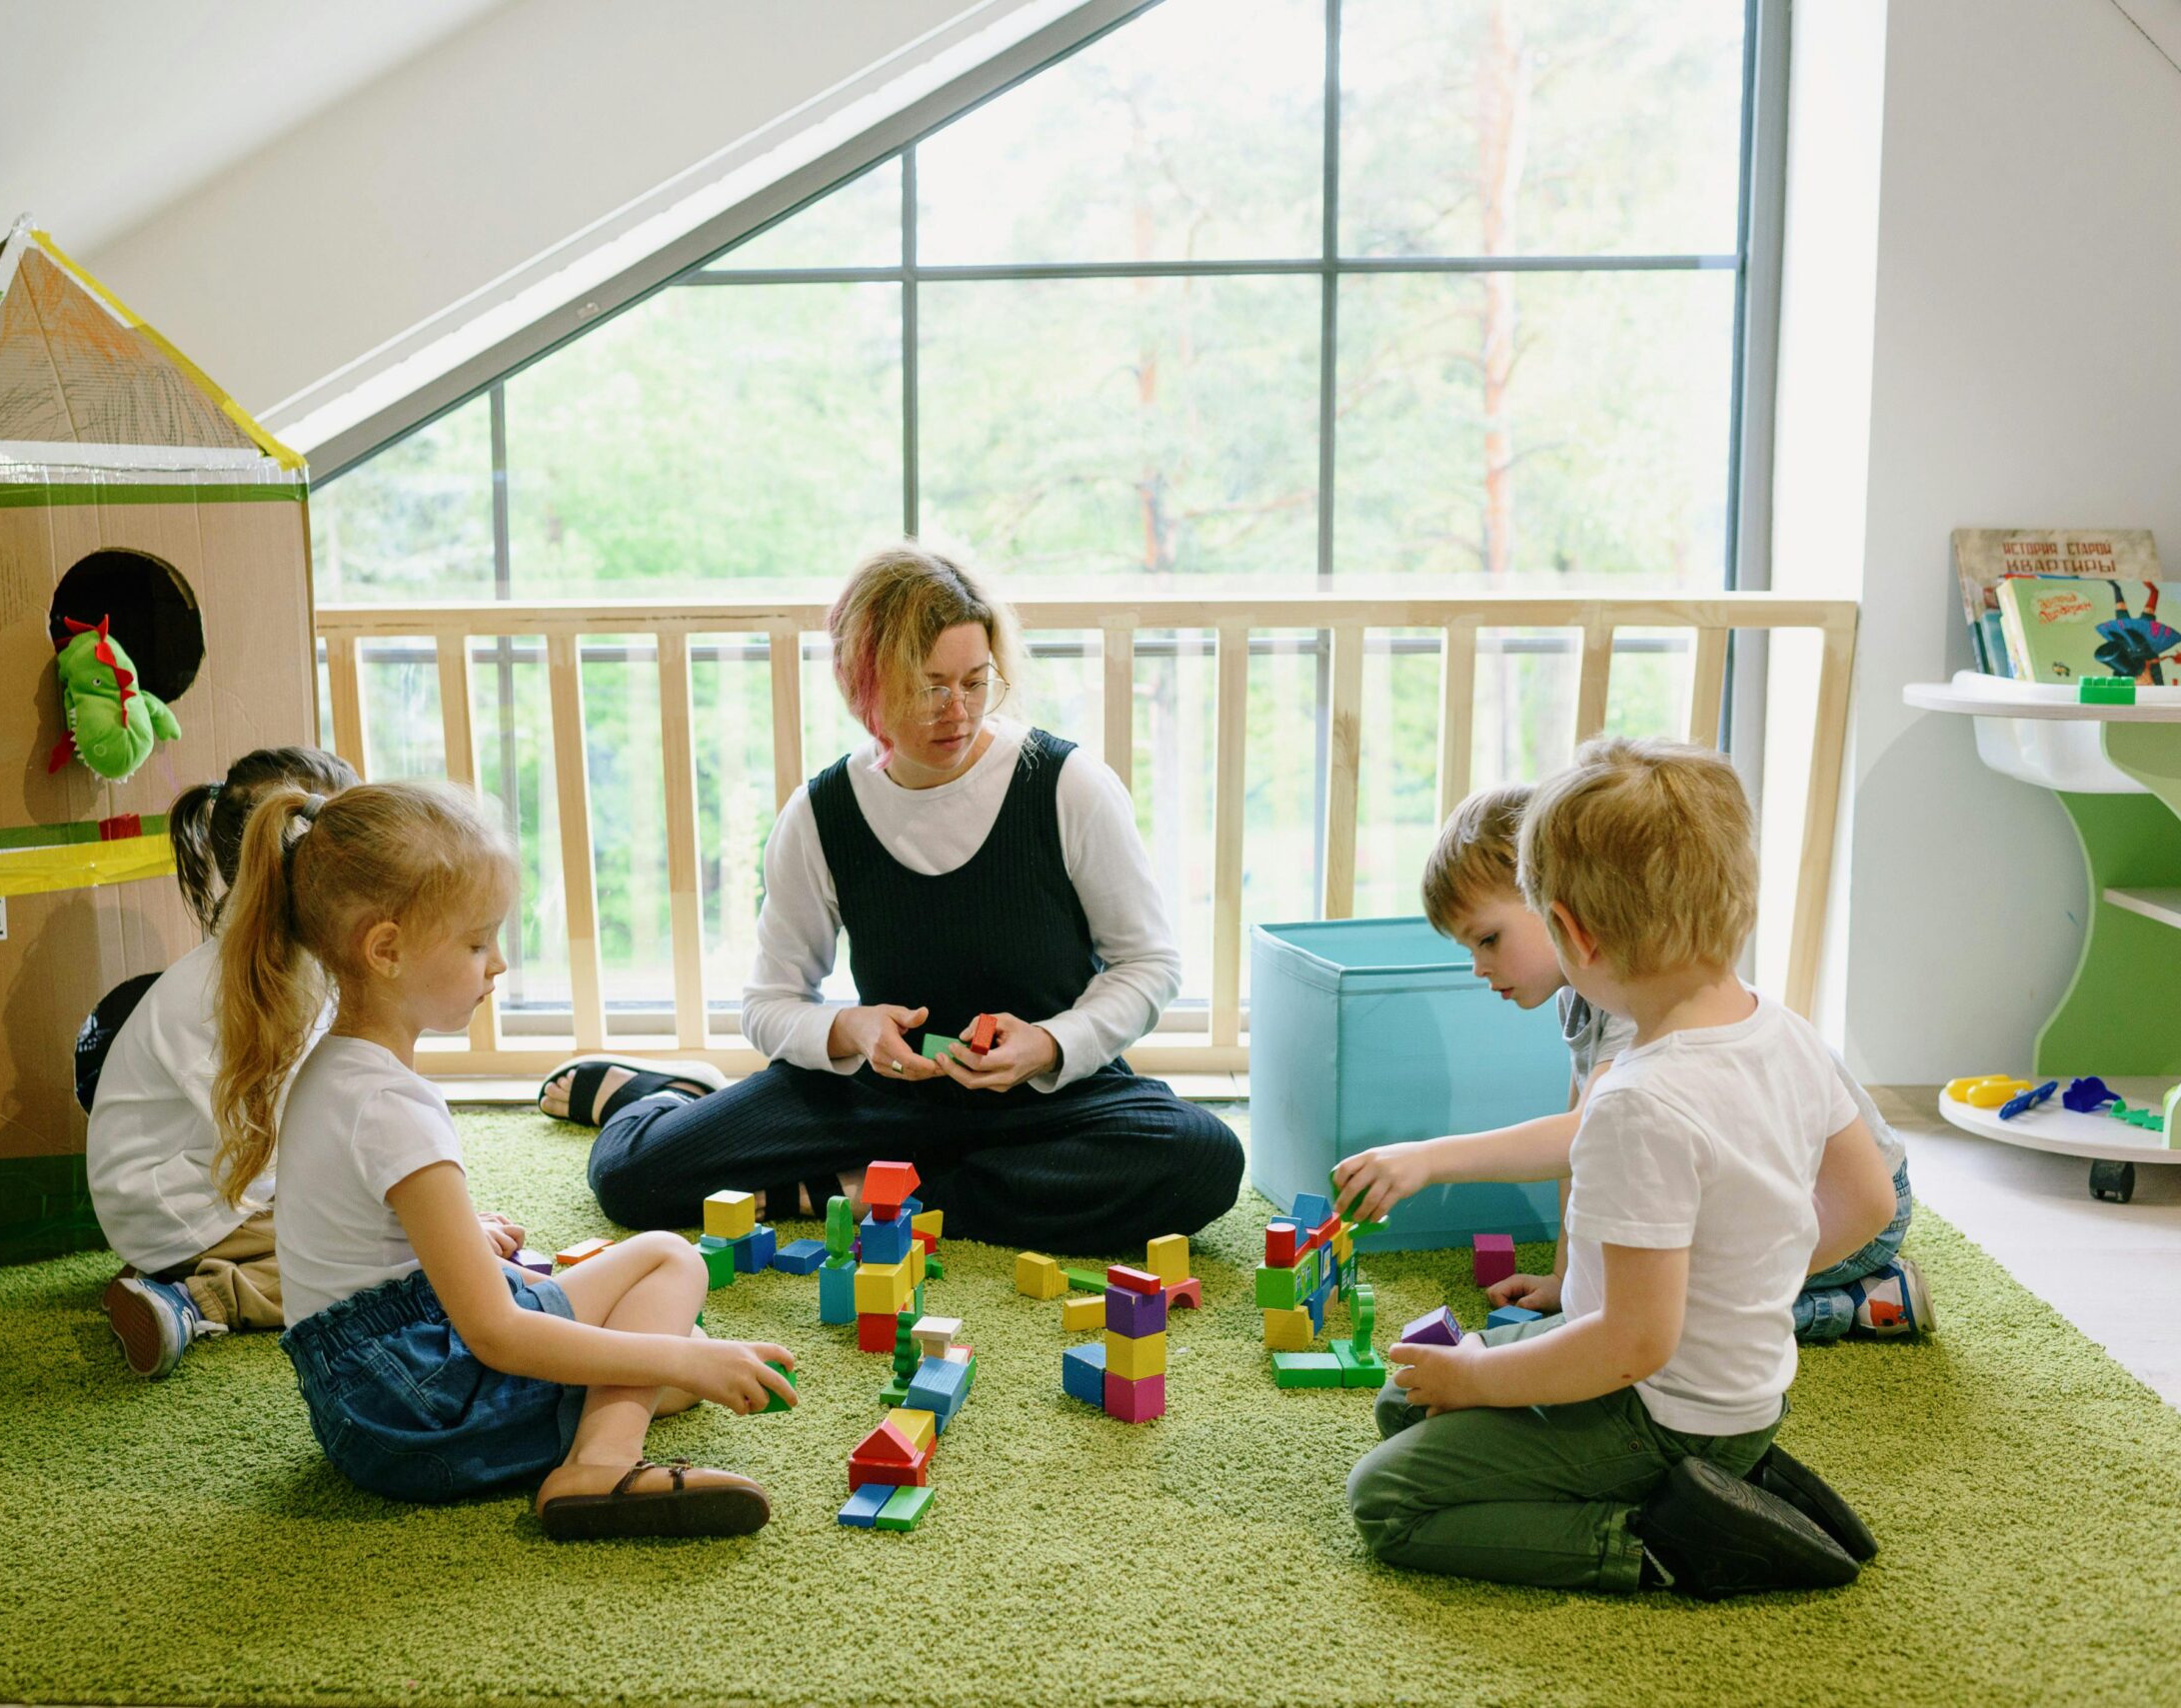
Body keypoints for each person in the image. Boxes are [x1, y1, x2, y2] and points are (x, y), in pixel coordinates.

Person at [547, 543, 1242, 1252]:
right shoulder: (819, 815)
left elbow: (1149, 964)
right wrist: (850, 1030)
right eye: (929, 686)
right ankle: (656, 1097)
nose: (957, 710)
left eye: (976, 681)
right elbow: (768, 1002)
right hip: (880, 1096)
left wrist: (1048, 1044)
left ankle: (874, 1190)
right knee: (635, 1179)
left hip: (1043, 1098)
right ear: (865, 684)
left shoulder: (1068, 785)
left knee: (1206, 1159)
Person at [1343, 738, 1896, 1598]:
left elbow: (1633, 1345)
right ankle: (1733, 1474)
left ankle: (1664, 1536)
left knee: (1385, 1497)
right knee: (1406, 1399)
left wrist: (1483, 1375)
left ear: (1568, 930)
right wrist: (1740, 1283)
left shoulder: (1637, 1102)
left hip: (1659, 1415)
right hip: (1740, 1396)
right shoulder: (1787, 1031)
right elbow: (1865, 1202)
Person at [212, 778, 791, 1535]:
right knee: (673, 1309)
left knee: (670, 1323)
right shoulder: (394, 1105)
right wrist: (682, 1364)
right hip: (417, 1402)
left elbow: (373, 1256)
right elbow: (494, 1333)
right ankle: (602, 1464)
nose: (499, 964)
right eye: (477, 941)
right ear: (386, 949)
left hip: (364, 1395)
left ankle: (622, 1407)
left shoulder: (334, 1065)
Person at [1337, 782, 1930, 1341]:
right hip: (1758, 1186)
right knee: (1635, 1271)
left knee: (1668, 1302)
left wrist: (1429, 1159)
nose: (1478, 967)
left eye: (1488, 939)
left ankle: (1864, 1302)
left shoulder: (1638, 997)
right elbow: (1590, 1153)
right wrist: (1568, 1281)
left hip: (1850, 1205)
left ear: (1556, 908)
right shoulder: (1583, 992)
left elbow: (1580, 1137)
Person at [87, 746, 360, 1379]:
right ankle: (194, 1297)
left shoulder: (289, 966)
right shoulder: (224, 989)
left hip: (204, 1186)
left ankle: (176, 1272)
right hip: (174, 1205)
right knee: (372, 1261)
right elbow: (281, 1142)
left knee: (393, 1231)